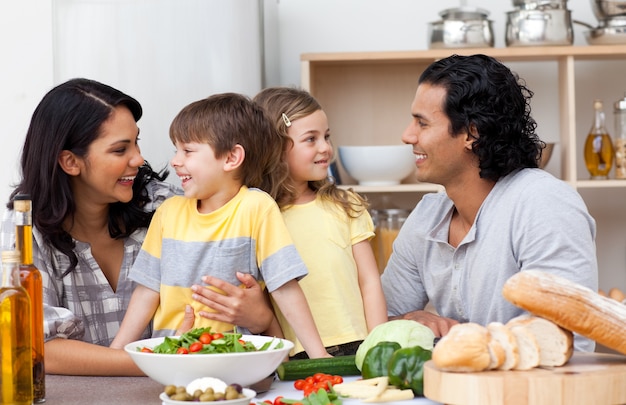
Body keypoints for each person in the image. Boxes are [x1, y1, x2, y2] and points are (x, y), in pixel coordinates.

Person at [1, 79, 272, 376]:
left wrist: (261, 316)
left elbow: (241, 296)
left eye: (136, 141)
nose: (139, 159)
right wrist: (167, 358)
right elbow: (39, 347)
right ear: (70, 162)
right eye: (120, 150)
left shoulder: (164, 206)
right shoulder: (23, 234)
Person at [379, 54, 598, 352]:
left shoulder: (542, 204)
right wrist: (408, 318)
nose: (408, 135)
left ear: (472, 133)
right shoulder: (427, 215)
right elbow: (379, 319)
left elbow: (564, 343)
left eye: (422, 123)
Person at [109, 93, 330, 358]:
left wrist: (319, 355)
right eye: (176, 150)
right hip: (172, 359)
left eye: (187, 151)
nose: (175, 161)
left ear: (231, 158)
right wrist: (115, 352)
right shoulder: (168, 213)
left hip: (235, 357)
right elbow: (147, 290)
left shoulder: (256, 207)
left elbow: (284, 286)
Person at [253, 87, 388, 358]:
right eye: (310, 139)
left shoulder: (347, 204)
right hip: (299, 354)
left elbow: (369, 281)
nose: (325, 147)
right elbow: (266, 300)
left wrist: (379, 346)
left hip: (361, 345)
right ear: (274, 148)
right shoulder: (259, 216)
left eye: (326, 137)